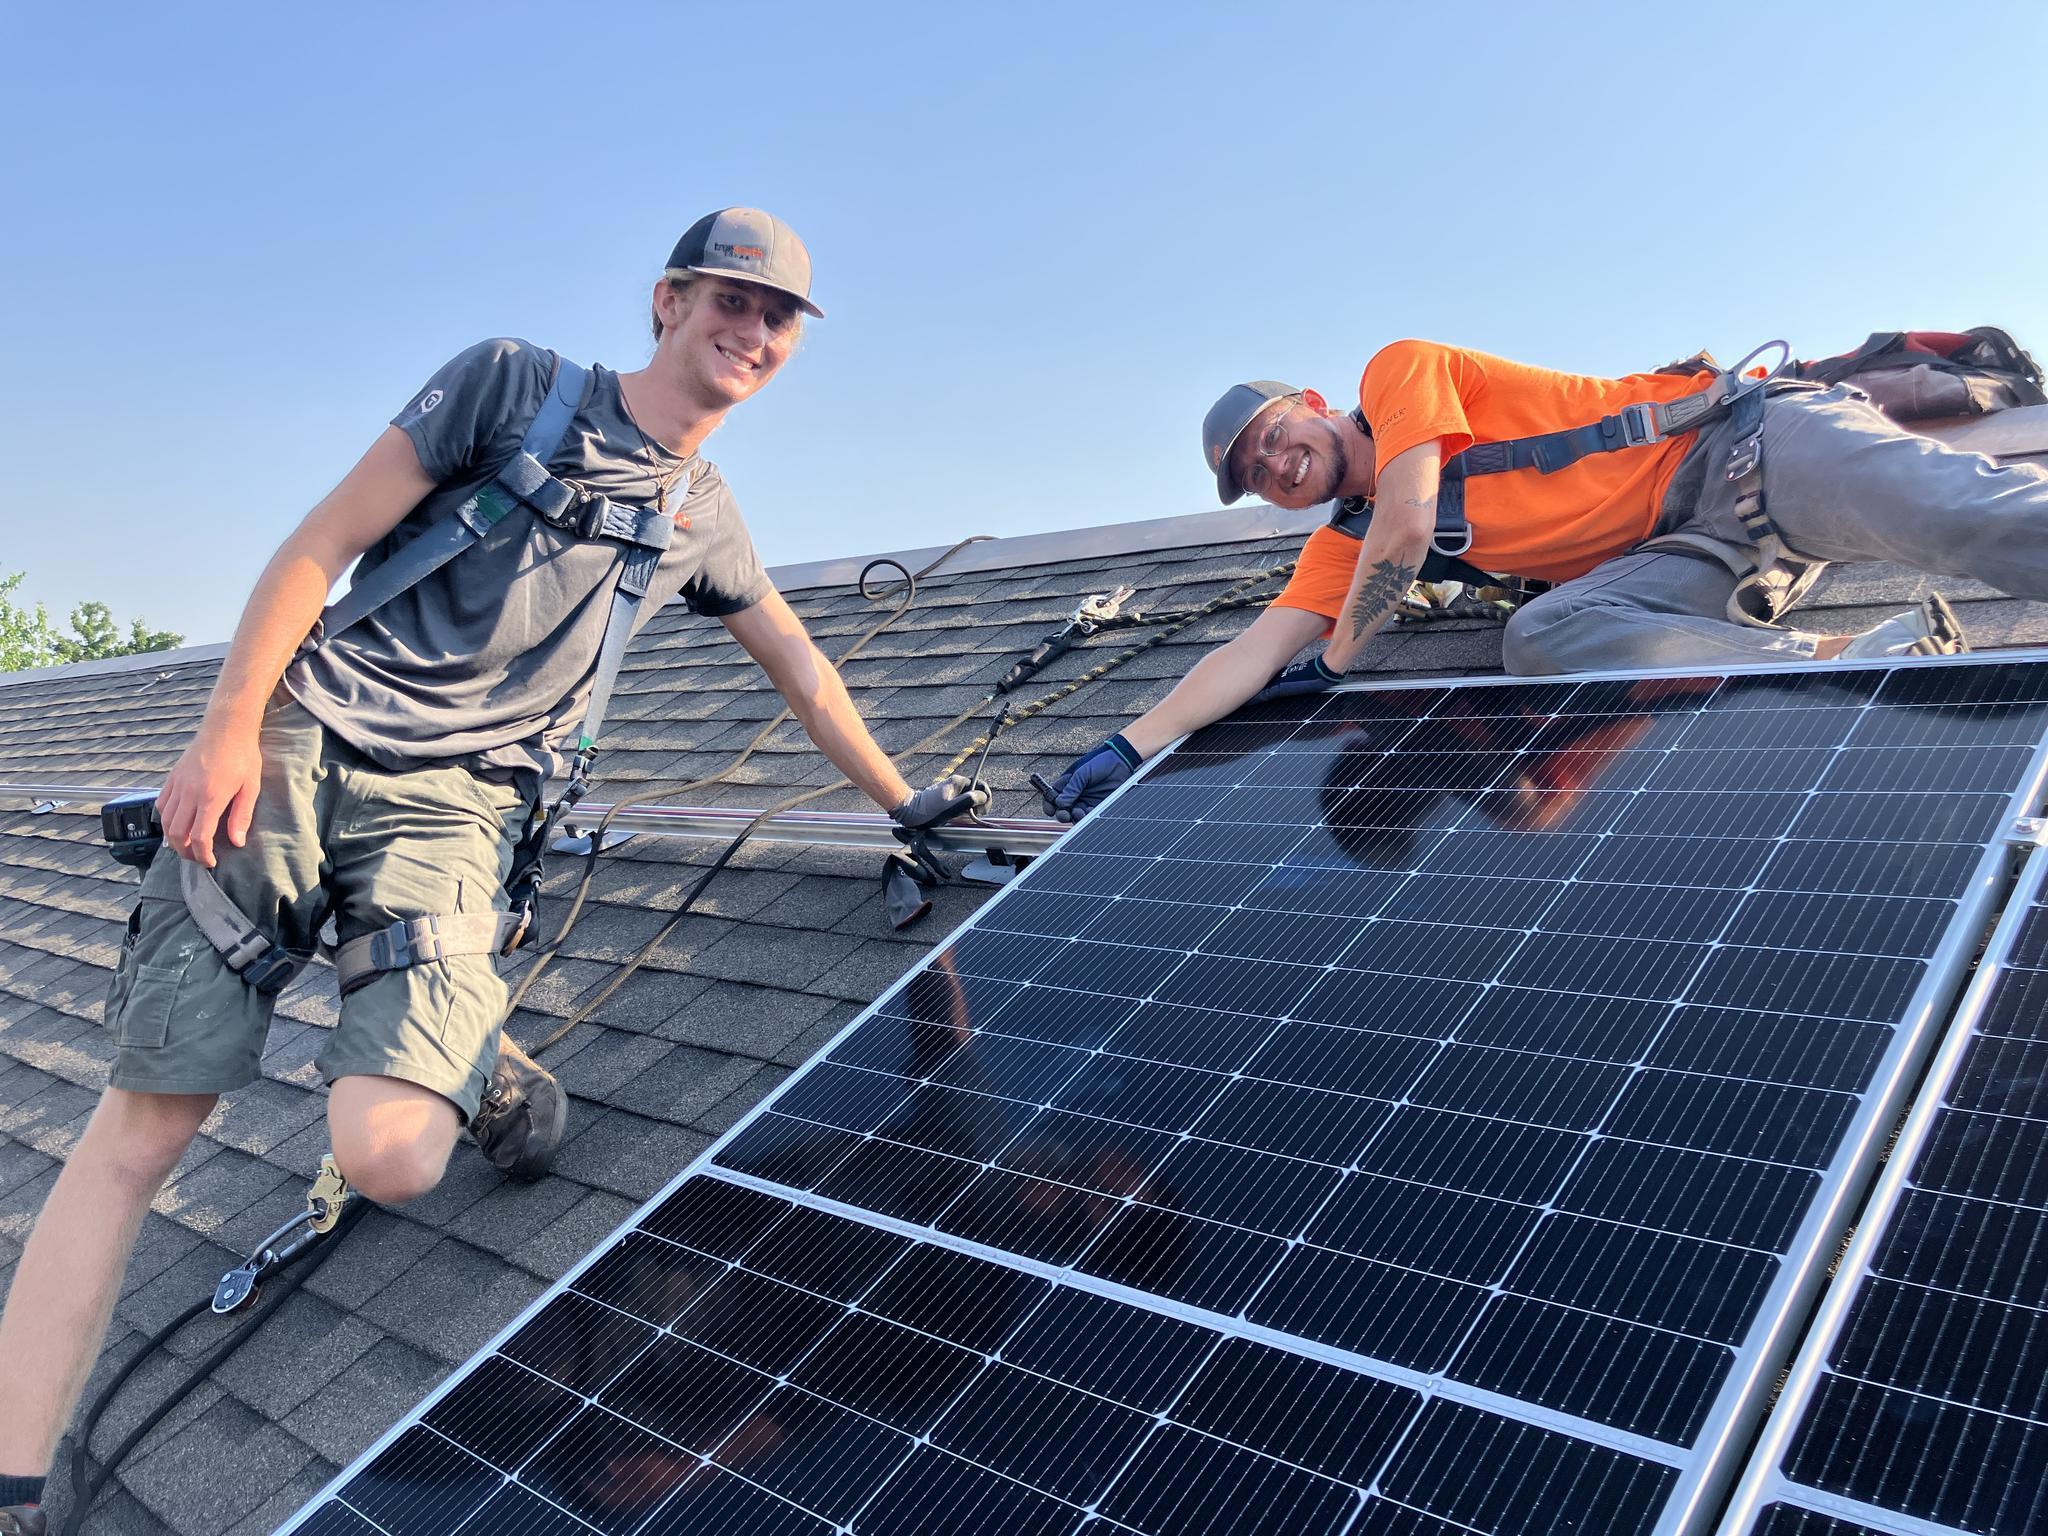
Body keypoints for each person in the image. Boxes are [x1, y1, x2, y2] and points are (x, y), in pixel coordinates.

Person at [0, 208, 980, 1534]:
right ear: (668, 301)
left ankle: (464, 1044)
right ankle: (11, 1487)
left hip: (456, 813)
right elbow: (320, 542)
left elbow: (802, 670)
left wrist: (906, 801)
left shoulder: (702, 517)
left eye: (776, 318)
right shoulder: (511, 384)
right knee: (144, 1131)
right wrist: (223, 728)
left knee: (393, 1158)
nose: (750, 331)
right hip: (299, 741)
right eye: (728, 300)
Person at [1040, 338, 2048, 821]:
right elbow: (1253, 651)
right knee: (1543, 637)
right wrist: (1130, 745)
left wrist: (1339, 660)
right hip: (1693, 562)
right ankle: (1846, 657)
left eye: (1270, 438)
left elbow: (1407, 518)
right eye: (1253, 474)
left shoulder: (1400, 373)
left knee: (1976, 521)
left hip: (1750, 452)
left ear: (1309, 401)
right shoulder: (1342, 542)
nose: (1272, 465)